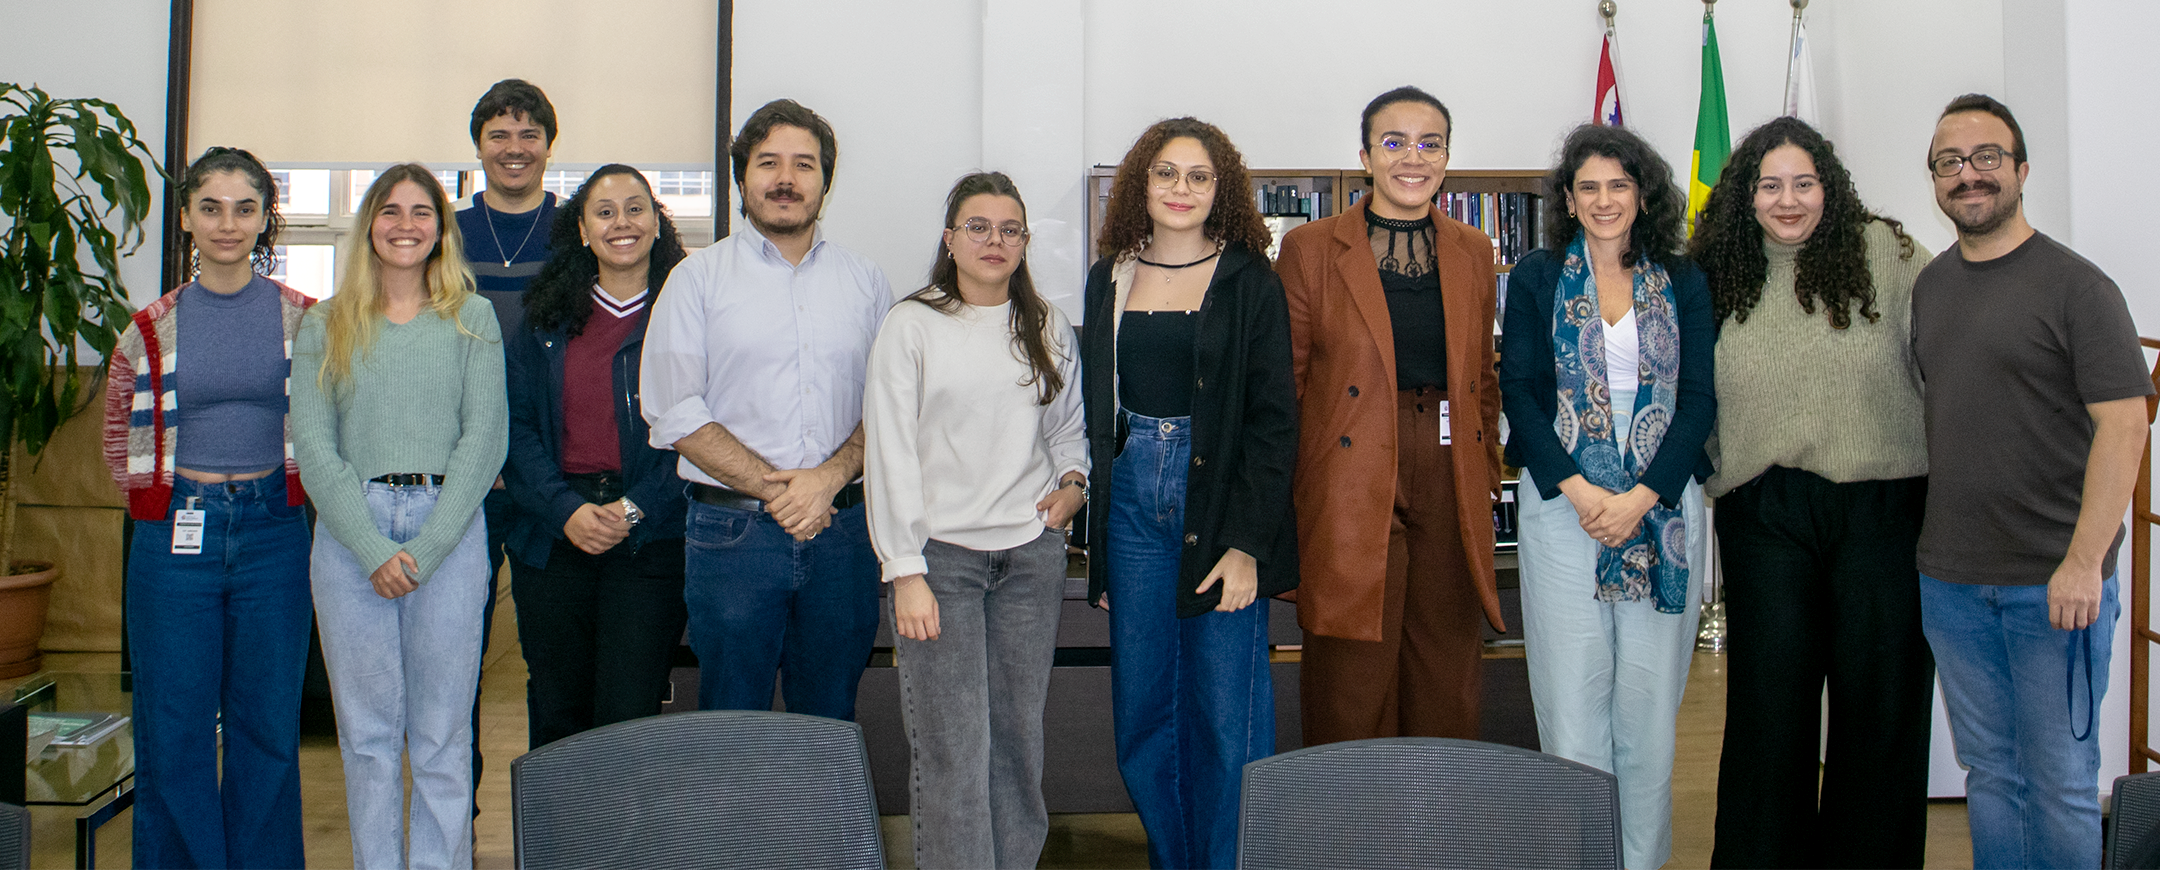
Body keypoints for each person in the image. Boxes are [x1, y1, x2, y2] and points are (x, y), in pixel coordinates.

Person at [1688, 116, 1934, 869]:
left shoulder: (1889, 257)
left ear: (1829, 185)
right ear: (1744, 194)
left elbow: (1947, 362)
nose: (1788, 201)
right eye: (1770, 186)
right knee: (1770, 707)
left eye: (1804, 183)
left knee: (1881, 701)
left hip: (1882, 505)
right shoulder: (1710, 271)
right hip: (1765, 512)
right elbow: (1683, 386)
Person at [1912, 93, 2150, 870]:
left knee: (2060, 785)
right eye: (1951, 162)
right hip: (1952, 584)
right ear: (1935, 178)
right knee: (1991, 776)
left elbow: (2126, 425)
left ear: (2019, 169)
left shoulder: (2078, 288)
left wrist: (2084, 562)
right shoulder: (1932, 287)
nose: (1969, 175)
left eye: (1986, 158)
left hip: (2055, 587)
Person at [1081, 117, 1299, 870]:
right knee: (1143, 712)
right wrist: (1101, 553)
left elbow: (1275, 426)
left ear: (1222, 189)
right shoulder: (1108, 274)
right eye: (1166, 173)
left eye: (1198, 176)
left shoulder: (1249, 280)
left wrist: (1247, 547)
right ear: (1142, 184)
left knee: (1224, 715)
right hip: (1134, 508)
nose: (1181, 189)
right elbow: (1094, 415)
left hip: (1220, 506)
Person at [1499, 123, 1714, 870]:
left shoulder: (1683, 278)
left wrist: (1642, 496)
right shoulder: (1535, 277)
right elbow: (1519, 390)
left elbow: (1698, 400)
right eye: (1587, 186)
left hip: (1663, 511)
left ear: (1643, 194)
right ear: (1567, 198)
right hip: (1565, 507)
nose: (1603, 199)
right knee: (1572, 712)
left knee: (1647, 722)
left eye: (1618, 185)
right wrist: (1584, 490)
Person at [641, 98, 892, 718]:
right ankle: (740, 824)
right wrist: (785, 493)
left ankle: (818, 823)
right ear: (742, 178)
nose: (786, 179)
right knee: (732, 719)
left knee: (831, 718)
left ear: (825, 183)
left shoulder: (866, 283)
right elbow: (675, 411)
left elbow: (890, 404)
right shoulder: (696, 279)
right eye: (768, 163)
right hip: (732, 539)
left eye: (804, 164)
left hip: (842, 536)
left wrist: (826, 482)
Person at [866, 171, 1087, 870]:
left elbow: (1068, 430)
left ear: (1024, 242)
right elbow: (890, 451)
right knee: (954, 747)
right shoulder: (912, 325)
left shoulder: (1044, 323)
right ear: (950, 239)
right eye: (978, 227)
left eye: (1009, 229)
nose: (994, 241)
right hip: (942, 565)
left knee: (1018, 743)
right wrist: (905, 570)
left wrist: (1075, 483)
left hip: (1029, 560)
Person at [101, 146, 314, 870]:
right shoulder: (148, 329)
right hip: (173, 539)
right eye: (211, 208)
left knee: (267, 730)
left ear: (264, 221)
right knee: (174, 730)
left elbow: (326, 426)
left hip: (275, 534)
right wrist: (169, 493)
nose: (228, 224)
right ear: (188, 218)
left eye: (245, 209)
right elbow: (114, 439)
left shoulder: (304, 322)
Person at [291, 164, 507, 870]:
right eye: (391, 210)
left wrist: (432, 545)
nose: (406, 224)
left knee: (442, 737)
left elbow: (485, 439)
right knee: (368, 737)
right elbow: (315, 448)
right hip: (354, 537)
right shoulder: (325, 325)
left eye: (422, 211)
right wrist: (371, 545)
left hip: (449, 527)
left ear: (442, 229)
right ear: (369, 226)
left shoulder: (472, 319)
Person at [1277, 86, 1505, 745]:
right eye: (1395, 142)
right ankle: (1348, 833)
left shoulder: (1472, 248)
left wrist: (1485, 472)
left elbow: (1481, 379)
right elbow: (1288, 387)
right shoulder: (1311, 248)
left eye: (1430, 143)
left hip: (1448, 465)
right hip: (1351, 475)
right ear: (1366, 156)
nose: (1414, 156)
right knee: (1351, 675)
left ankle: (1432, 828)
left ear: (1447, 159)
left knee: (1446, 664)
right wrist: (1300, 498)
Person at [502, 164, 690, 749]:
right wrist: (565, 510)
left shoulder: (688, 313)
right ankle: (562, 844)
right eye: (604, 213)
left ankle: (621, 845)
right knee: (558, 707)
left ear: (658, 222)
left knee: (628, 712)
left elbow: (701, 429)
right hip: (555, 537)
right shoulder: (546, 318)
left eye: (636, 209)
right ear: (583, 231)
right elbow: (515, 427)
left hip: (650, 538)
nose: (622, 224)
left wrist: (635, 509)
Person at [454, 77, 561, 794]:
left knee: (549, 659)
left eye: (529, 134)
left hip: (549, 475)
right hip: (462, 476)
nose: (514, 148)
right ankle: (453, 820)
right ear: (479, 145)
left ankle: (552, 818)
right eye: (500, 134)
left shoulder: (576, 228)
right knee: (455, 662)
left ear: (549, 145)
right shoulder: (447, 233)